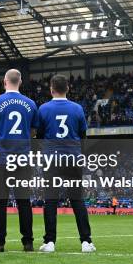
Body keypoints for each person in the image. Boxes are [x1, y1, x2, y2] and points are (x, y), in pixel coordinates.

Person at [37, 74, 95, 253]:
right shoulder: (77, 109)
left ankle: (50, 242)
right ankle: (85, 242)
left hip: (51, 160)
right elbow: (83, 136)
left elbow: (39, 137)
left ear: (51, 88)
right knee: (77, 200)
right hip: (73, 159)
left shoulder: (44, 109)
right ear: (68, 88)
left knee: (51, 201)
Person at [0, 69, 37, 252]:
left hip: (0, 157)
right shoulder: (30, 104)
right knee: (24, 201)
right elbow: (32, 131)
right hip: (22, 158)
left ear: (4, 81)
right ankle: (28, 242)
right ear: (20, 81)